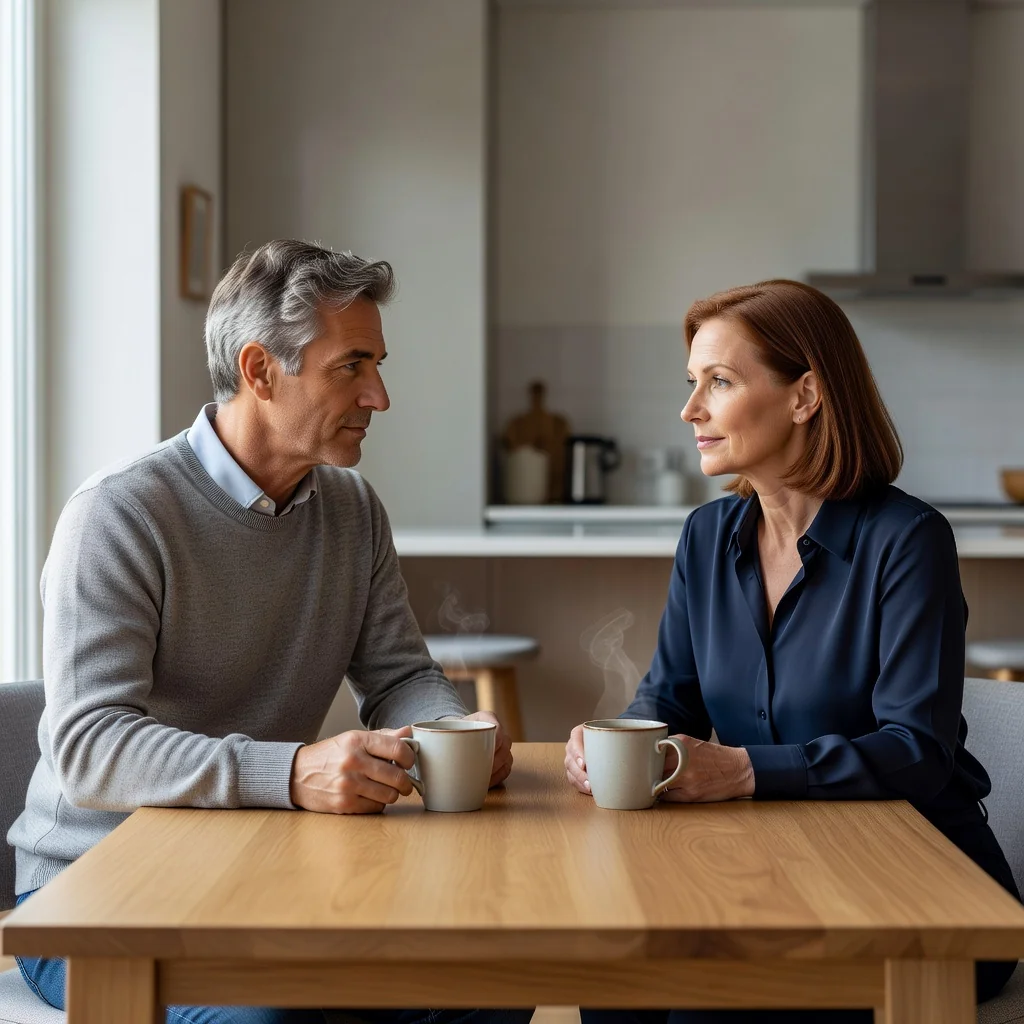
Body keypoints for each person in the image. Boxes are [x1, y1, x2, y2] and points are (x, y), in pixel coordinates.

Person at [8, 239, 527, 1024]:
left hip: (266, 873)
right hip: (97, 895)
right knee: (279, 1018)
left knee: (486, 987)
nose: (379, 396)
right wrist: (291, 774)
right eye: (351, 366)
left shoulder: (352, 510)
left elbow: (396, 677)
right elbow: (89, 748)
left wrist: (452, 731)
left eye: (377, 365)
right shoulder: (119, 515)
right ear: (259, 371)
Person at [564, 279, 1020, 1023]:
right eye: (691, 384)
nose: (690, 412)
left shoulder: (907, 541)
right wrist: (616, 739)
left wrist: (742, 769)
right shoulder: (707, 539)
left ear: (805, 394)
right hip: (774, 871)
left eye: (720, 382)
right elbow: (668, 698)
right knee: (617, 990)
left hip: (923, 891)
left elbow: (916, 748)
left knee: (704, 1004)